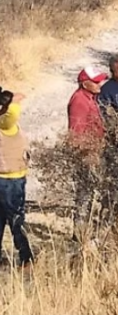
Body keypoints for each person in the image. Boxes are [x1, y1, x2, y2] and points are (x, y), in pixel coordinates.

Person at [67, 66, 109, 241]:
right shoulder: (79, 101)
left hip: (94, 152)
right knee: (84, 194)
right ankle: (79, 234)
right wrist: (87, 153)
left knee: (89, 194)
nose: (100, 84)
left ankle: (84, 232)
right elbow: (75, 133)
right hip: (86, 155)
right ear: (85, 84)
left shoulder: (90, 98)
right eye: (96, 81)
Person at [0, 96, 34, 270]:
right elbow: (13, 111)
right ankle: (26, 259)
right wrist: (12, 100)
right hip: (12, 179)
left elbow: (12, 112)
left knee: (13, 221)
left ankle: (26, 259)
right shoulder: (6, 122)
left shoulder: (4, 122)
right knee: (13, 219)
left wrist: (10, 101)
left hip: (9, 180)